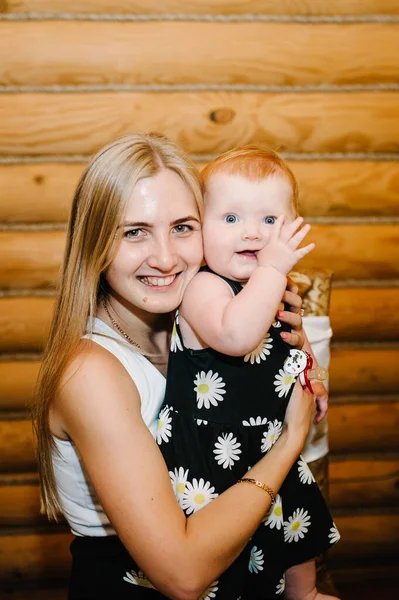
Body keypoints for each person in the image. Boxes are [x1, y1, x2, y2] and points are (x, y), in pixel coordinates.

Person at [32, 133, 316, 600]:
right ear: (94, 243)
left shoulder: (196, 328)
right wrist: (289, 445)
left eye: (183, 227)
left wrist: (296, 361)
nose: (165, 258)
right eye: (134, 231)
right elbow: (182, 577)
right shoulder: (90, 372)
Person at [159, 146, 340, 600]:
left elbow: (288, 345)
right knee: (233, 562)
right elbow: (236, 335)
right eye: (232, 219)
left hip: (268, 440)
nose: (253, 234)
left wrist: (310, 374)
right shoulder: (203, 286)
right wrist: (274, 271)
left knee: (293, 525)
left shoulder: (273, 286)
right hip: (215, 453)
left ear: (294, 226)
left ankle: (305, 592)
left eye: (270, 221)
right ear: (201, 228)